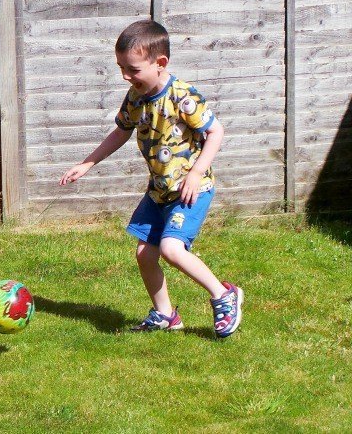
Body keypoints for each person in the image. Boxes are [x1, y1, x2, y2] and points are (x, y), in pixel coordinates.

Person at [59, 20, 243, 338]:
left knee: (171, 249)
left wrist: (196, 173)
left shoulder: (182, 96)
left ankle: (223, 294)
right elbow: (122, 130)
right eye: (121, 68)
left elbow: (216, 131)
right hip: (158, 192)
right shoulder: (136, 96)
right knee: (145, 254)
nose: (126, 77)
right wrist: (88, 163)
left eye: (132, 69)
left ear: (160, 64)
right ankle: (165, 314)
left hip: (191, 190)